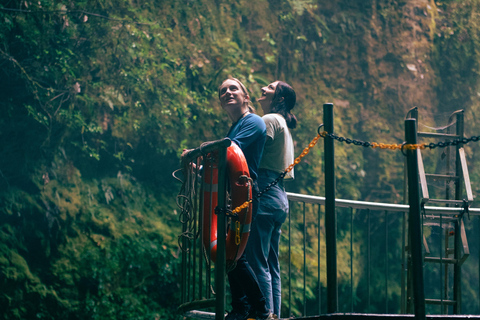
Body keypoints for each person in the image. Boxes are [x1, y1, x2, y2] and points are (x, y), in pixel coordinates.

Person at [217, 78, 273, 320]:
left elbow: (231, 150)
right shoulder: (235, 125)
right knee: (232, 254)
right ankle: (241, 308)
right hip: (235, 196)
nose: (228, 92)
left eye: (233, 88)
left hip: (246, 195)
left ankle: (259, 309)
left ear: (246, 97)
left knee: (236, 255)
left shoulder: (253, 122)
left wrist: (203, 153)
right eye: (223, 91)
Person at [245, 81, 297, 318]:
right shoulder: (284, 125)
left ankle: (264, 315)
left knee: (257, 262)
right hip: (280, 196)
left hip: (264, 192)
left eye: (270, 87)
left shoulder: (269, 120)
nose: (263, 88)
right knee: (271, 266)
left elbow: (251, 152)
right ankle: (273, 315)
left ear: (280, 98)